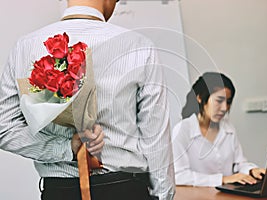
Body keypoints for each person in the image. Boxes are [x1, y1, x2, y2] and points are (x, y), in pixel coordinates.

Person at [0, 0, 175, 199]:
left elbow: (4, 128)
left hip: (60, 192)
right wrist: (163, 195)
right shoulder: (139, 46)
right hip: (126, 189)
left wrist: (65, 148)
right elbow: (155, 136)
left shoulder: (25, 46)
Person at [172, 72, 265, 187]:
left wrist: (251, 170)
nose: (224, 108)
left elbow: (239, 164)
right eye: (219, 101)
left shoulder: (228, 128)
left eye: (228, 102)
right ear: (200, 98)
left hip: (226, 195)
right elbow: (179, 176)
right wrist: (223, 179)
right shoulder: (183, 130)